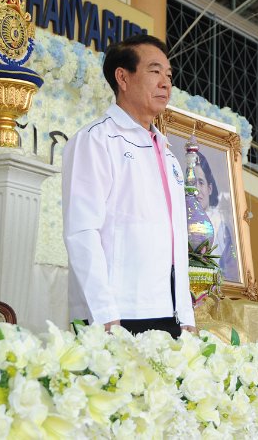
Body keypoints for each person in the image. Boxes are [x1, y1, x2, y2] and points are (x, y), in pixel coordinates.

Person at [62, 34, 195, 337]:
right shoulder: (96, 139)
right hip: (117, 315)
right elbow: (82, 232)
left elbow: (176, 239)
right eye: (154, 71)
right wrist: (105, 314)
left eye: (169, 75)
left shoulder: (167, 152)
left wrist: (186, 316)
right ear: (122, 77)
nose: (166, 83)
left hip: (167, 313)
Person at [194, 150, 239, 281]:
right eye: (192, 182)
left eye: (201, 182)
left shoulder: (220, 225)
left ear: (210, 188)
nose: (196, 189)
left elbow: (230, 271)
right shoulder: (181, 220)